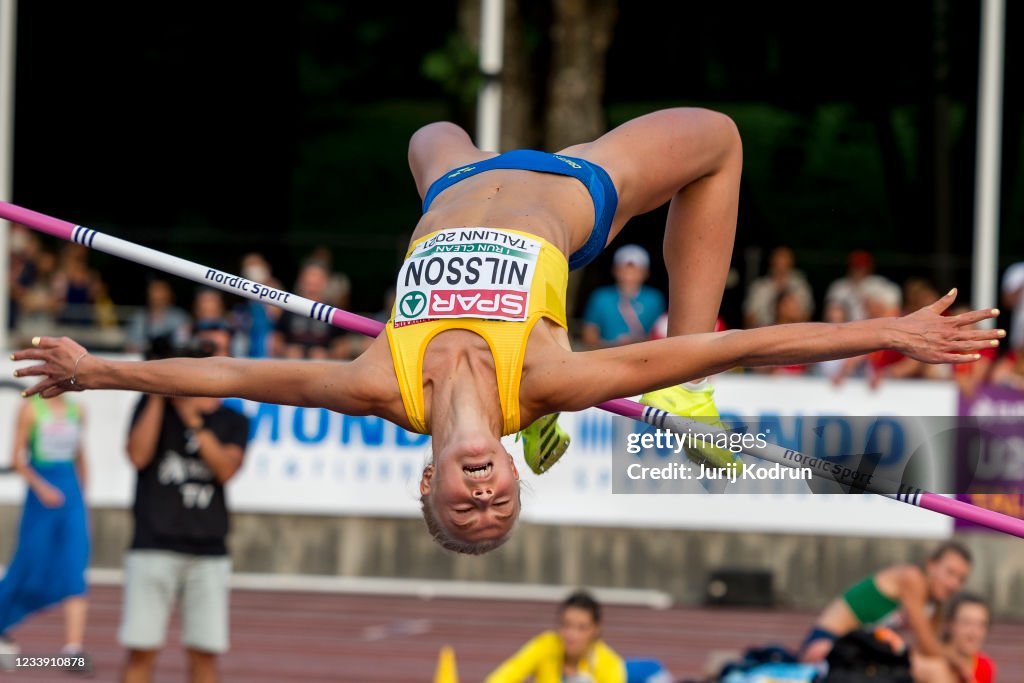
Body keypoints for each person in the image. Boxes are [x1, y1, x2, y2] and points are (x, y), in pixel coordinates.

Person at [11, 109, 1005, 556]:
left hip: (453, 180)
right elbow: (741, 346)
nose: (482, 497)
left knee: (425, 129)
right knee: (719, 139)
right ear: (513, 475)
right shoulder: (547, 377)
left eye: (463, 506)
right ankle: (685, 403)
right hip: (576, 189)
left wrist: (102, 367)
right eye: (498, 508)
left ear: (427, 479)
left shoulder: (378, 388)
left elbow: (230, 364)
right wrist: (892, 329)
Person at [118, 322, 249, 683]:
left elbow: (224, 469)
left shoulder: (232, 420)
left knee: (204, 654)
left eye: (216, 351)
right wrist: (161, 388)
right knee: (140, 650)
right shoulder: (152, 405)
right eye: (203, 353)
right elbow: (138, 456)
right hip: (153, 544)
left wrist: (191, 416)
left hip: (208, 550)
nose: (209, 358)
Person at [0, 393, 91, 674]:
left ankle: (73, 649)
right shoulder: (30, 409)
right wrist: (42, 489)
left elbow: (80, 456)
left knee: (75, 565)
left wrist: (83, 498)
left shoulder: (78, 410)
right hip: (42, 494)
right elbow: (17, 459)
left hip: (71, 496)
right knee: (30, 563)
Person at [800, 542, 976, 682]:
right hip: (827, 644)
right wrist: (957, 660)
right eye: (950, 573)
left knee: (937, 668)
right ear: (930, 565)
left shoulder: (934, 605)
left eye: (961, 579)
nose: (954, 584)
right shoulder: (912, 578)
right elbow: (929, 645)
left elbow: (925, 650)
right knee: (936, 669)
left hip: (865, 652)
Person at [485, 590, 625, 683]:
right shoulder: (546, 644)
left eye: (581, 628)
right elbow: (502, 677)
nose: (571, 635)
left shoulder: (610, 664)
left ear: (596, 630)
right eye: (566, 625)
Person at [581, 244, 666, 347]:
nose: (629, 274)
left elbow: (660, 334)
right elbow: (588, 336)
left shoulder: (655, 299)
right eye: (624, 269)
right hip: (606, 356)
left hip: (642, 358)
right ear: (615, 270)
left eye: (635, 270)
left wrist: (633, 343)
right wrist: (615, 346)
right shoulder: (601, 297)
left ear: (645, 273)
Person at [743, 246, 814, 328]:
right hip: (763, 331)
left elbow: (807, 314)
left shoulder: (800, 285)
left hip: (794, 331)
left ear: (791, 263)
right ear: (772, 262)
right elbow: (749, 316)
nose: (781, 265)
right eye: (778, 261)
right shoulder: (759, 287)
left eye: (784, 262)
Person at [825, 249, 897, 321]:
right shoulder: (839, 286)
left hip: (873, 326)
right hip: (846, 327)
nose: (858, 270)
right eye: (855, 267)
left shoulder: (882, 285)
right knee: (836, 313)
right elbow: (831, 315)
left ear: (870, 267)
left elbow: (892, 314)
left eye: (862, 267)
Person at [125, 278, 192, 354]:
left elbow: (182, 344)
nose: (156, 296)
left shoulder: (180, 317)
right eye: (153, 291)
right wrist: (148, 347)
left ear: (169, 294)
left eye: (160, 291)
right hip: (144, 361)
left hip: (171, 360)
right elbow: (130, 346)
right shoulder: (139, 318)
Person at [942, 593, 996, 683]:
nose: (974, 633)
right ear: (949, 624)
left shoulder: (985, 666)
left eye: (981, 625)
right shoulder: (935, 662)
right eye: (966, 623)